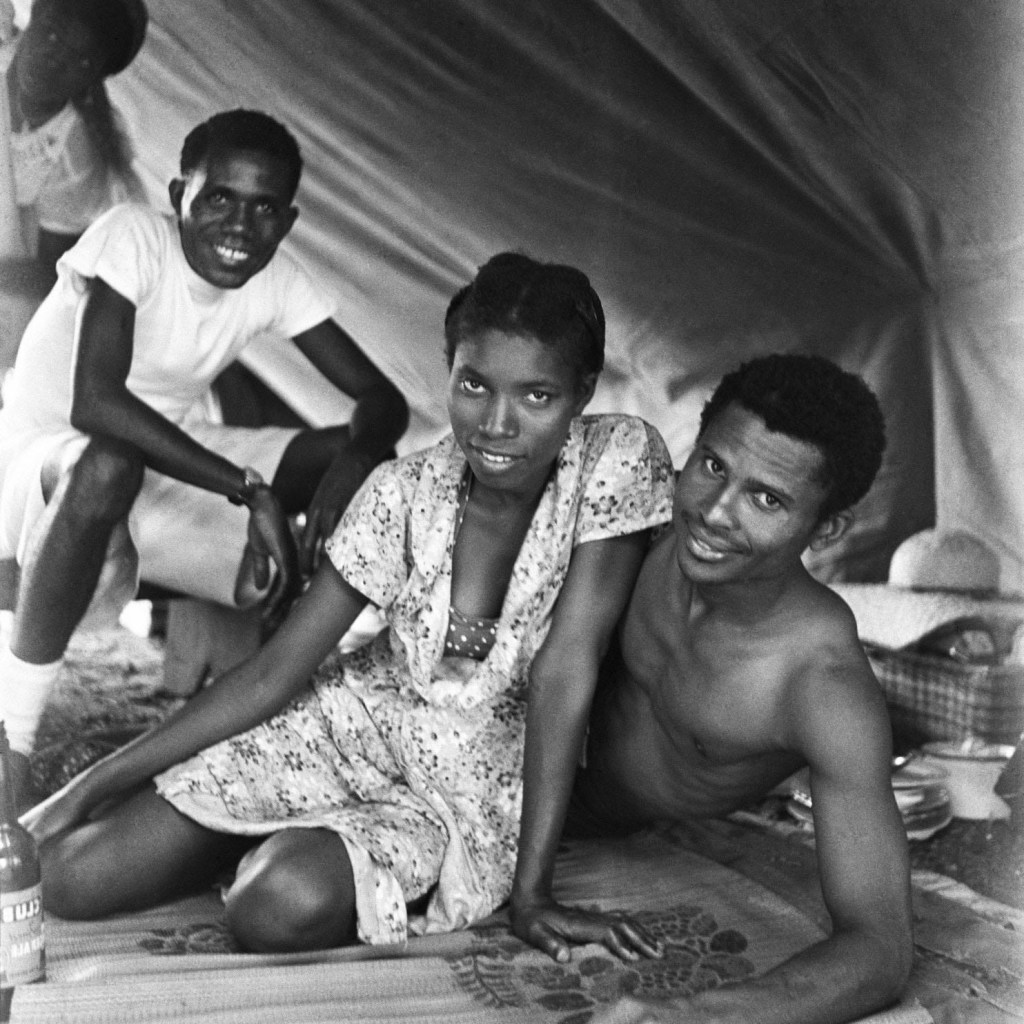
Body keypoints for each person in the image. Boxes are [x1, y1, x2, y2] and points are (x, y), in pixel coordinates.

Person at [23, 252, 675, 955]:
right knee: (65, 877)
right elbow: (277, 672)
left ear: (580, 396)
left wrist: (534, 894)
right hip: (338, 730)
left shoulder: (615, 461)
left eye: (536, 397)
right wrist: (87, 789)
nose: (496, 424)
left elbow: (566, 670)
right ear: (450, 370)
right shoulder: (401, 492)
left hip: (456, 791)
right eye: (474, 385)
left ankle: (282, 848)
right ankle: (249, 822)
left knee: (272, 907)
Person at [0, 108, 409, 807]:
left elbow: (383, 399)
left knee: (359, 452)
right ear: (177, 195)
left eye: (264, 209)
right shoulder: (131, 237)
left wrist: (359, 455)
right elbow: (94, 403)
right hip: (41, 469)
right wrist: (252, 493)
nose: (240, 228)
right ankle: (14, 744)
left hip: (161, 466)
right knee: (108, 463)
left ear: (288, 219)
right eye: (218, 198)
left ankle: (293, 695)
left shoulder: (276, 280)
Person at [521, 354, 914, 1024]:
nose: (713, 513)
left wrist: (692, 1015)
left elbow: (880, 948)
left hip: (597, 831)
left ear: (828, 529)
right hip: (493, 780)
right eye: (712, 466)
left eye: (768, 500)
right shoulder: (637, 535)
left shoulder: (819, 684)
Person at [1, 0, 148, 273]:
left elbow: (47, 273)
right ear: (34, 17)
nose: (53, 61)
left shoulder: (74, 159)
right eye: (52, 34)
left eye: (81, 61)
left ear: (95, 78)